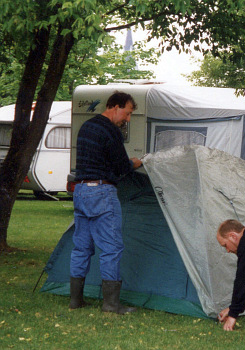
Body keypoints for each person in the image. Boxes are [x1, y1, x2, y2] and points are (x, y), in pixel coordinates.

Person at [69, 91, 142, 314]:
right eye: (127, 113)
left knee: (81, 247)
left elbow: (97, 161)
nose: (127, 119)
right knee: (111, 249)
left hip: (80, 190)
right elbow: (121, 168)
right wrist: (135, 163)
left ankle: (76, 300)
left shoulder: (87, 127)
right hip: (102, 192)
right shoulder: (111, 130)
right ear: (115, 107)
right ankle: (111, 304)